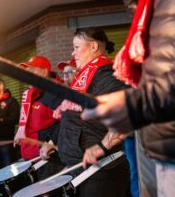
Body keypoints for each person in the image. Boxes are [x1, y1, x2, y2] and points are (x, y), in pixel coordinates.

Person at [81, 0, 175, 197]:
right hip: (166, 147)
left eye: (77, 47)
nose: (72, 52)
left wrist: (137, 104)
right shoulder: (149, 8)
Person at [50, 27, 130, 196]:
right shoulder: (84, 78)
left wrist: (102, 146)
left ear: (93, 47)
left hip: (102, 172)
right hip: (81, 169)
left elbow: (127, 112)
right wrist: (52, 142)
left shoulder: (107, 76)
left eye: (76, 47)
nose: (73, 53)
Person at [14, 56, 65, 179]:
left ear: (44, 71)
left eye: (31, 70)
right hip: (31, 159)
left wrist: (51, 142)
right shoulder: (31, 93)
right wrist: (20, 131)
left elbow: (67, 122)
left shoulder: (54, 93)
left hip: (48, 160)